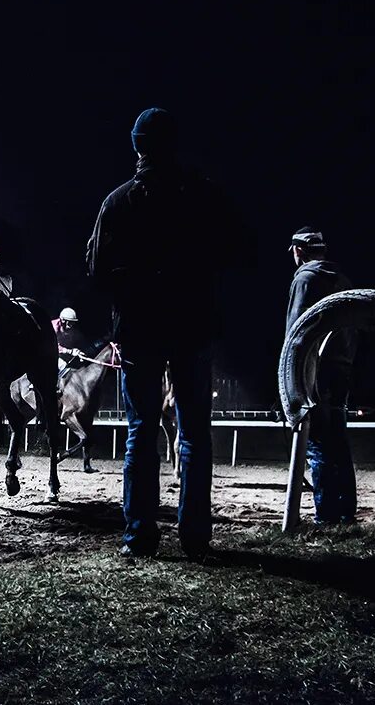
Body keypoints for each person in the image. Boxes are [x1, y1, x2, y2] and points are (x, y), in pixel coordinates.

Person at [86, 107, 243, 559]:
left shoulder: (117, 202)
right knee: (194, 430)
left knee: (141, 429)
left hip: (139, 329)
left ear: (137, 146)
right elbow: (234, 251)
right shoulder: (205, 194)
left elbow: (96, 271)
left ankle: (139, 536)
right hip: (193, 326)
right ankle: (195, 537)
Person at [286, 227, 359, 525]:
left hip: (315, 370)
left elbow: (297, 332)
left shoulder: (305, 278)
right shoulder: (342, 279)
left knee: (317, 442)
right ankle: (345, 512)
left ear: (298, 251)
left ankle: (325, 516)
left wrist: (291, 382)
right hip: (341, 367)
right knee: (338, 442)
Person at [53, 307, 103, 472]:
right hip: (48, 354)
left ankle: (87, 464)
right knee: (62, 367)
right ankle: (53, 388)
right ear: (62, 320)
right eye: (70, 323)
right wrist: (69, 351)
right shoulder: (53, 327)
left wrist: (79, 352)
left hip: (65, 357)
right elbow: (54, 346)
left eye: (74, 324)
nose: (71, 326)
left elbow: (76, 346)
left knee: (74, 369)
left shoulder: (73, 332)